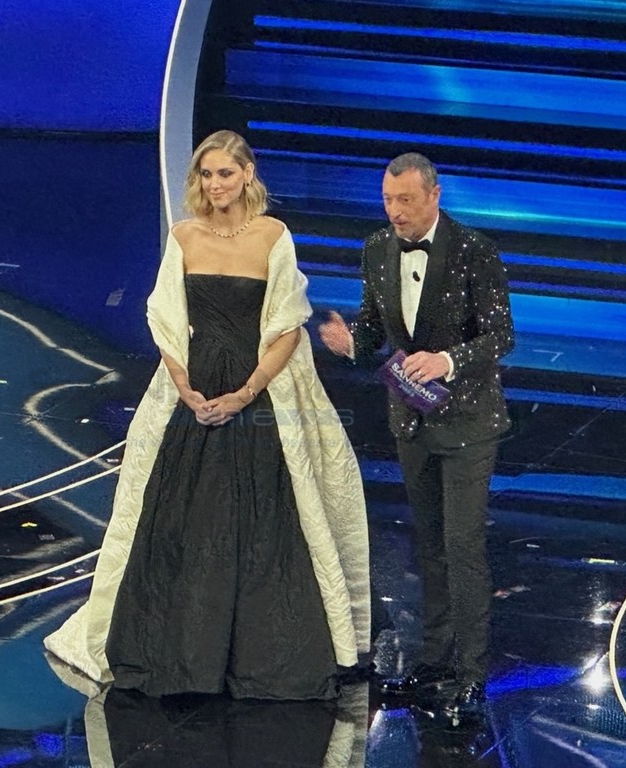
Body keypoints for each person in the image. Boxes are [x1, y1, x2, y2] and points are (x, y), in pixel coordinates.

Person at [45, 130, 370, 700]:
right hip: (192, 390)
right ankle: (177, 648)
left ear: (248, 175)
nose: (215, 184)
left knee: (262, 517)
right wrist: (185, 389)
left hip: (257, 387)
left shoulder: (273, 236)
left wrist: (247, 392)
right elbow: (166, 322)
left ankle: (259, 651)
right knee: (181, 517)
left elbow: (288, 328)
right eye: (206, 174)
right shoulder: (184, 236)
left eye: (225, 173)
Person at [319, 152, 513, 722]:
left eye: (405, 200)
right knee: (428, 546)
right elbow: (374, 325)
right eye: (388, 200)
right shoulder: (377, 248)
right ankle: (433, 661)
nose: (395, 211)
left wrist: (446, 360)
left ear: (434, 195)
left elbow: (501, 336)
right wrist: (351, 342)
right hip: (411, 419)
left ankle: (471, 674)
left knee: (463, 547)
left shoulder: (475, 249)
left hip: (469, 423)